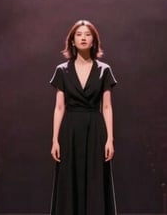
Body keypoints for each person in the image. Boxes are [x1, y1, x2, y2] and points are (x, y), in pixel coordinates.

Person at [49, 19, 117, 215]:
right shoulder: (62, 70)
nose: (83, 38)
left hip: (95, 129)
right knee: (69, 179)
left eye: (87, 34)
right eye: (79, 34)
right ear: (72, 41)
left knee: (95, 179)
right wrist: (54, 139)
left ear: (94, 40)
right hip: (70, 129)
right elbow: (59, 107)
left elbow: (106, 107)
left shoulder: (104, 69)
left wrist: (110, 139)